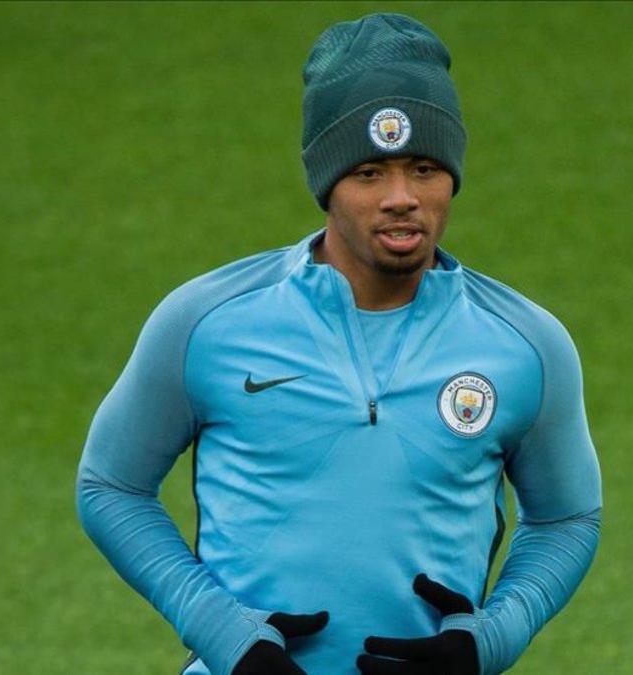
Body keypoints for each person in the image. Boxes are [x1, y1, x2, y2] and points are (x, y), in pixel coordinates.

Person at [77, 12, 602, 675]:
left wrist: (492, 636)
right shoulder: (206, 323)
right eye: (369, 173)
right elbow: (111, 485)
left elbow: (566, 517)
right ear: (327, 182)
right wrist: (223, 633)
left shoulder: (526, 345)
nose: (403, 198)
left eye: (424, 167)